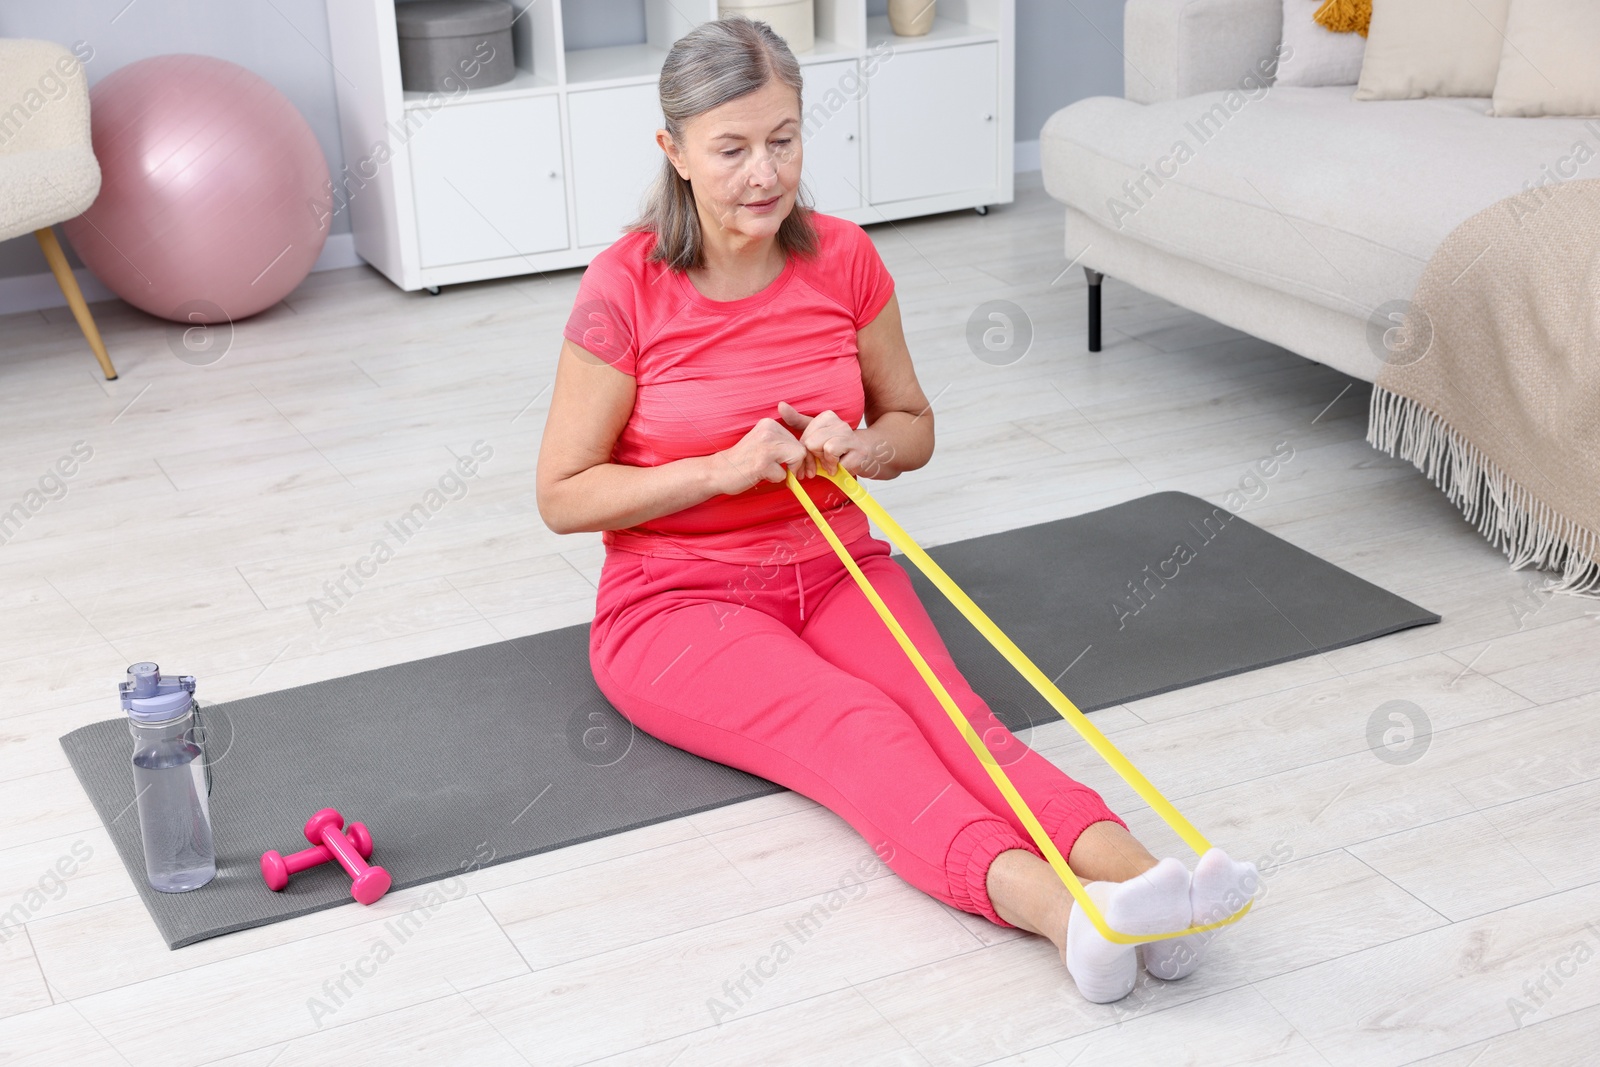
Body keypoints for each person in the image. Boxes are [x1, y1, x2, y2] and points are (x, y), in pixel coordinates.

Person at [534, 15, 1256, 1004]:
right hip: (672, 600)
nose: (762, 172)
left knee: (959, 719)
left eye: (782, 139)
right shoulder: (625, 287)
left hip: (833, 563)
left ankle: (1145, 886)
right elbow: (562, 495)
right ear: (675, 154)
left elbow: (911, 424)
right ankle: (1061, 916)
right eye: (732, 149)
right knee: (858, 725)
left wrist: (859, 446)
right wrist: (718, 470)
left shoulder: (843, 258)